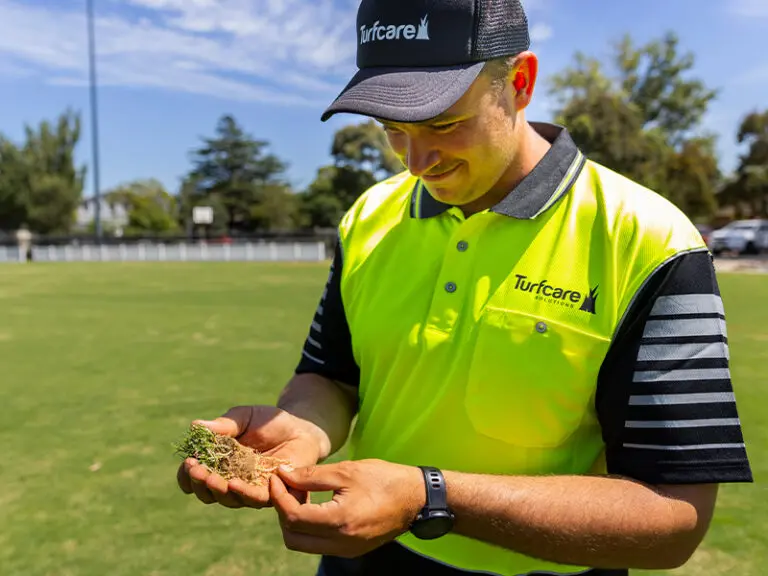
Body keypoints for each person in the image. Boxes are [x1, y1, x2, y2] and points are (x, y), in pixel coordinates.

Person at [176, 0, 753, 574]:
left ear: (520, 82)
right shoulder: (370, 216)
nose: (416, 161)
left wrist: (429, 497)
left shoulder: (649, 240)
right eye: (392, 130)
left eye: (444, 124)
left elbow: (672, 519)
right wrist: (301, 428)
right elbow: (332, 375)